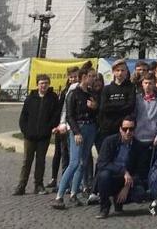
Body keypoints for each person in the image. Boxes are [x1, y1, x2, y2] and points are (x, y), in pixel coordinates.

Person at [54, 65, 99, 209]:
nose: (93, 79)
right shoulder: (73, 93)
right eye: (91, 76)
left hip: (91, 127)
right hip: (78, 128)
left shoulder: (92, 93)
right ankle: (59, 196)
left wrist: (95, 107)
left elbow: (97, 112)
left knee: (83, 162)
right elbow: (69, 115)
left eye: (94, 76)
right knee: (74, 162)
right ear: (84, 77)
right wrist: (76, 132)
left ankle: (74, 194)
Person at [14, 73, 62, 196]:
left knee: (41, 161)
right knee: (27, 161)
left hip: (43, 137)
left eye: (46, 83)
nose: (44, 86)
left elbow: (55, 116)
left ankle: (38, 185)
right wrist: (26, 130)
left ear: (49, 84)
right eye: (41, 83)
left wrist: (48, 129)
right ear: (37, 84)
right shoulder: (30, 98)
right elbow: (23, 117)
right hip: (29, 136)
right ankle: (21, 185)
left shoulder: (52, 98)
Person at [94, 116, 149, 219]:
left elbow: (141, 171)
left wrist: (127, 187)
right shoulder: (109, 141)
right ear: (120, 129)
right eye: (125, 129)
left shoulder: (139, 146)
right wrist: (123, 171)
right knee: (103, 175)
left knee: (140, 194)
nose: (128, 132)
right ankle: (104, 207)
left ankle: (118, 201)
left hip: (127, 180)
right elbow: (102, 163)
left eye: (131, 129)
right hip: (111, 176)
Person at [46, 65, 81, 191]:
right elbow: (62, 110)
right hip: (62, 126)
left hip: (73, 127)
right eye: (71, 77)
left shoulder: (80, 90)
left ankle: (72, 183)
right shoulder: (65, 91)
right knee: (62, 154)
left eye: (75, 76)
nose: (73, 79)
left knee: (74, 157)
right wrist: (59, 125)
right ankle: (61, 181)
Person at [133, 72, 157, 156]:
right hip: (137, 136)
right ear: (142, 83)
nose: (148, 85)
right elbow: (133, 116)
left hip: (152, 137)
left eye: (150, 83)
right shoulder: (137, 98)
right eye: (145, 83)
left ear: (154, 84)